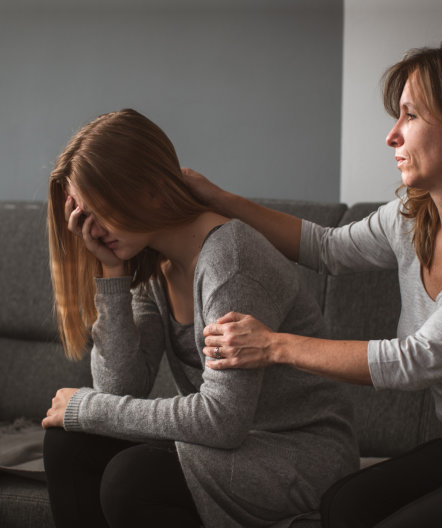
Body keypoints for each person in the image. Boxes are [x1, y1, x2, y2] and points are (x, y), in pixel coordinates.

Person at [181, 37, 442, 527]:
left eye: (410, 115)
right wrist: (216, 197)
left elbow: (417, 360)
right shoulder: (413, 217)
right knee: (344, 505)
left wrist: (273, 345)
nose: (392, 136)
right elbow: (325, 248)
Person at [41, 109, 358, 528]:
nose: (93, 230)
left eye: (100, 209)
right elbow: (120, 386)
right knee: (69, 444)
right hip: (233, 446)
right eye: (84, 216)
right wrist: (112, 274)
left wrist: (88, 407)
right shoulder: (154, 264)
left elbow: (221, 420)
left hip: (299, 455)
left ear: (151, 189)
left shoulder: (230, 260)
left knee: (132, 479)